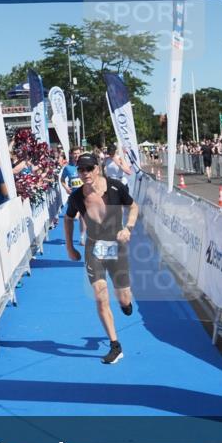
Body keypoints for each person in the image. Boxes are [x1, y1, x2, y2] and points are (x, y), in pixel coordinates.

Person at [65, 153, 138, 365]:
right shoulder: (77, 197)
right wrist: (70, 247)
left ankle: (126, 303)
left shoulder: (115, 187)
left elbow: (133, 207)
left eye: (89, 168)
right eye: (81, 169)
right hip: (94, 247)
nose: (85, 173)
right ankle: (115, 345)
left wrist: (128, 228)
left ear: (98, 168)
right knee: (100, 296)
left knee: (123, 298)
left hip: (116, 245)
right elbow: (69, 219)